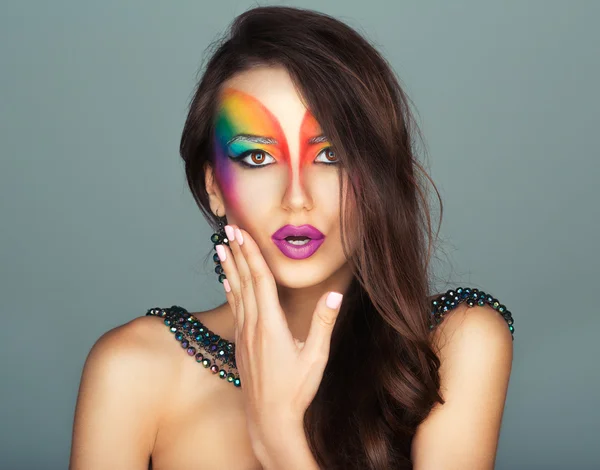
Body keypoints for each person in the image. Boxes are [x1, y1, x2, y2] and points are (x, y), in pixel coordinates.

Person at [69, 6, 514, 470]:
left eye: (331, 154)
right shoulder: (132, 368)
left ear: (378, 172)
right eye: (257, 158)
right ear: (214, 187)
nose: (296, 198)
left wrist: (278, 433)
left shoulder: (454, 344)